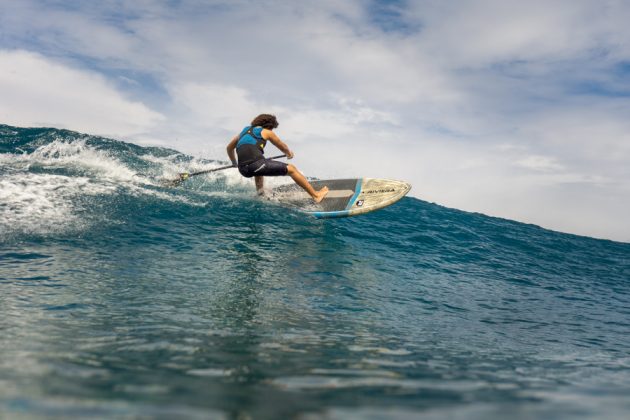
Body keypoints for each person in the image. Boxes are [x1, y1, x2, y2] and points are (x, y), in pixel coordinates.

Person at [226, 114, 329, 203]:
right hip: (255, 164)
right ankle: (316, 196)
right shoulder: (266, 131)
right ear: (269, 126)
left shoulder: (244, 132)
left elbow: (229, 148)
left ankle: (260, 194)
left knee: (260, 168)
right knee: (292, 169)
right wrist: (288, 153)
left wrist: (234, 162)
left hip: (243, 170)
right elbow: (281, 146)